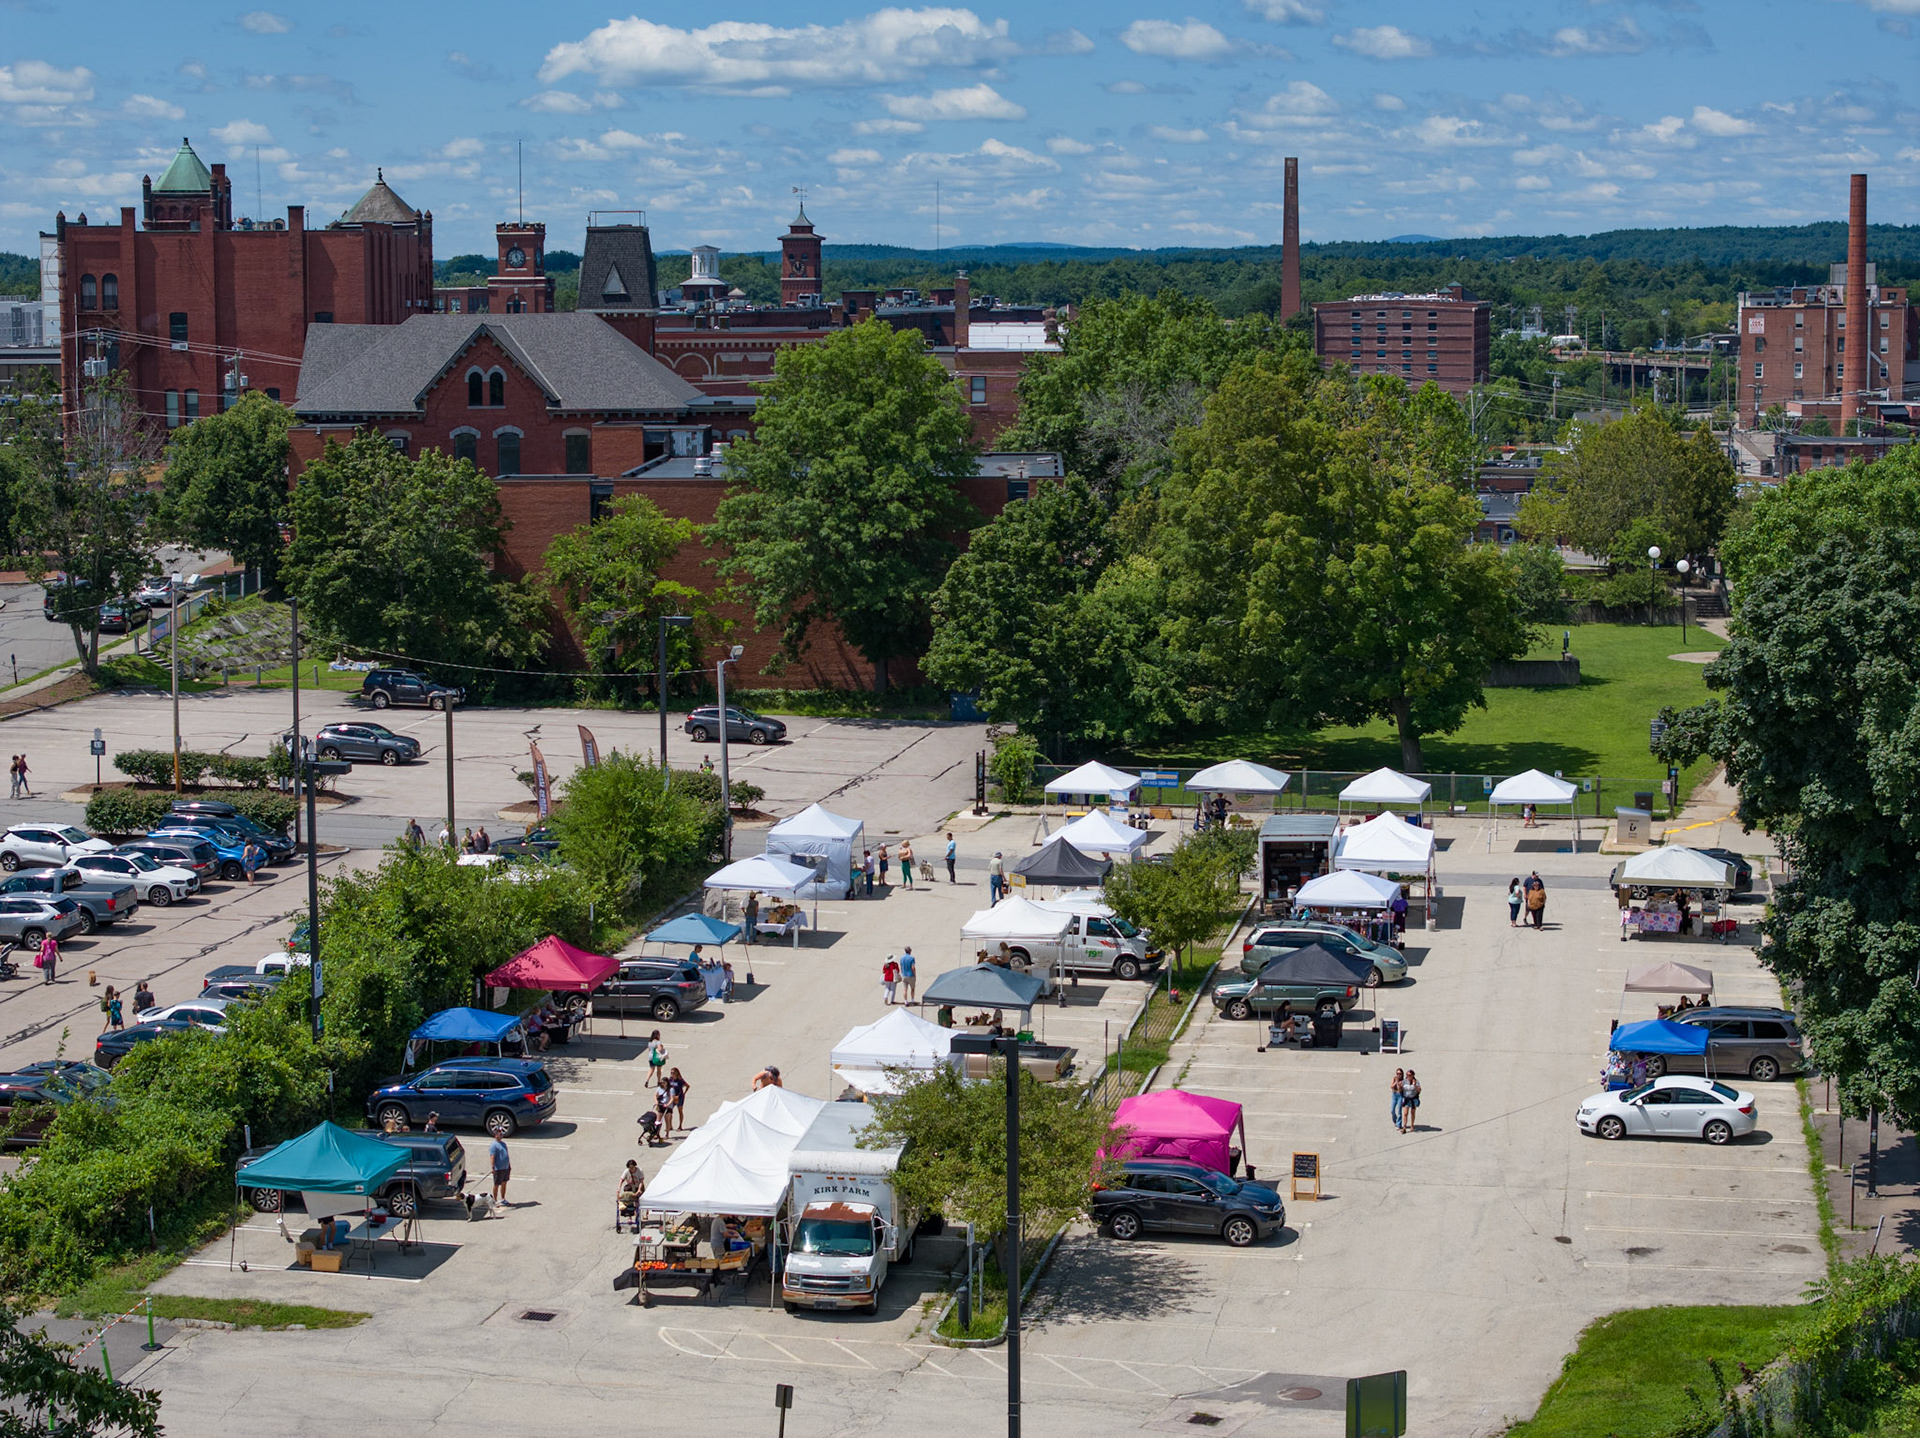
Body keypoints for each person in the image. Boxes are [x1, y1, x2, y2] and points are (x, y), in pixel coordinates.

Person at [489, 1134, 511, 1207]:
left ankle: (503, 1199)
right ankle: (494, 1200)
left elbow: (506, 1155)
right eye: (499, 1134)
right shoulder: (493, 1145)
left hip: (506, 1167)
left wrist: (509, 1165)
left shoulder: (503, 1144)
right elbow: (492, 1156)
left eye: (501, 1134)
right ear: (495, 1135)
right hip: (498, 1168)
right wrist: (493, 1167)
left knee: (504, 1183)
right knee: (496, 1185)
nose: (501, 1136)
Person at [666, 1067, 689, 1134]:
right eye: (671, 1073)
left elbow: (687, 1086)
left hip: (679, 1098)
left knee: (680, 1111)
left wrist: (684, 1093)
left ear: (676, 1073)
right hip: (672, 1097)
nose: (672, 1074)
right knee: (669, 1111)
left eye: (673, 1073)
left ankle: (680, 1126)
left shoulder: (680, 1080)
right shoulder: (670, 1079)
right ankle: (670, 1126)